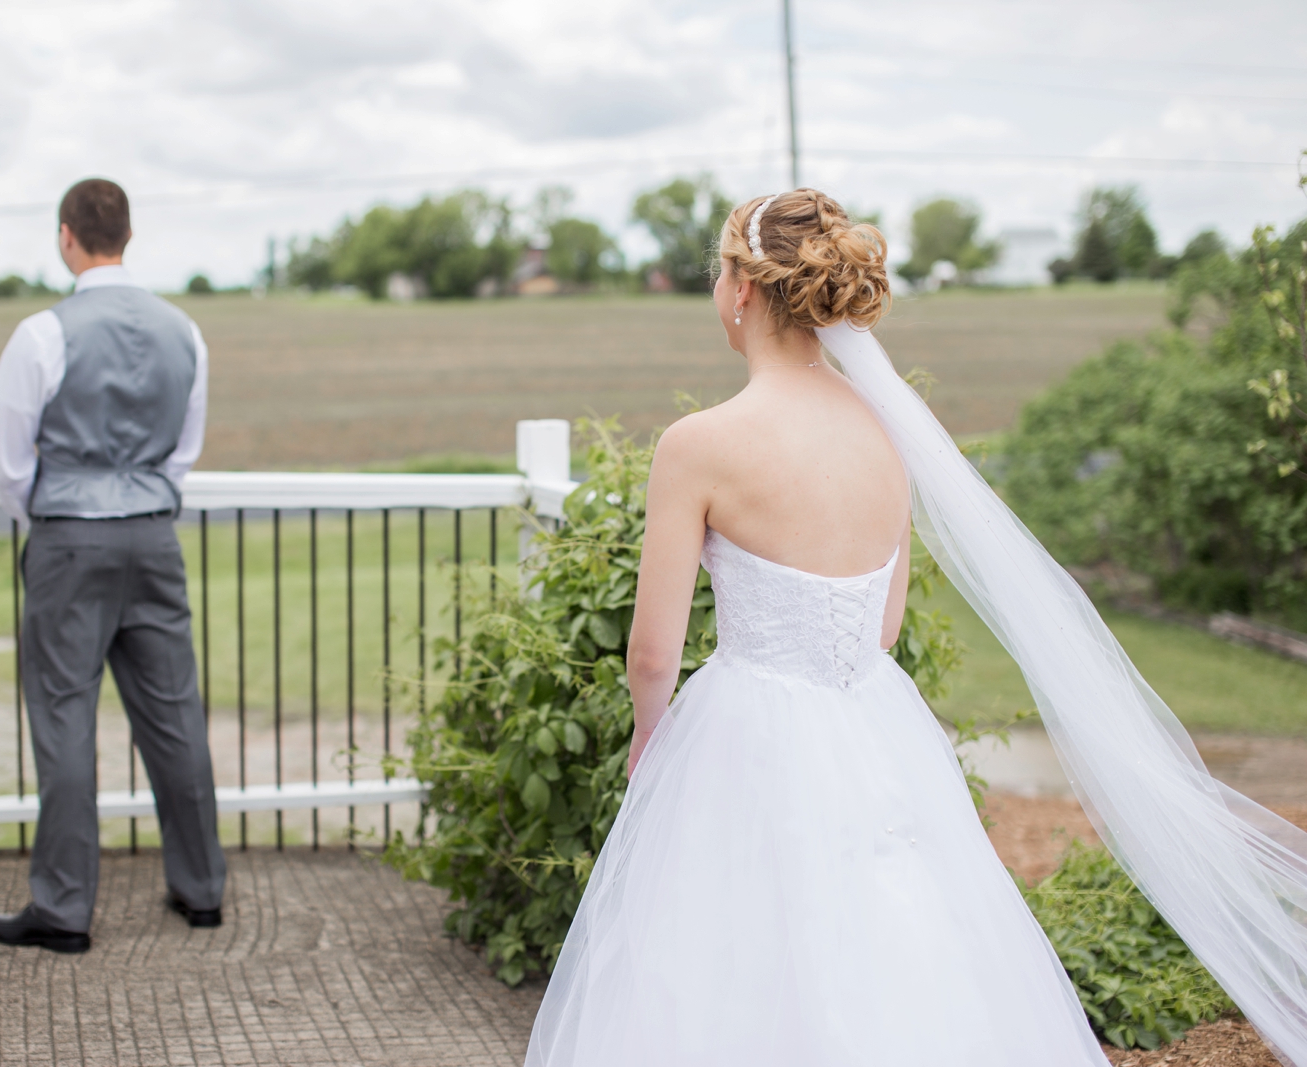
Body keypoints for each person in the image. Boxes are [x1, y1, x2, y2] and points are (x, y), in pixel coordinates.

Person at [526, 190, 1307, 1064]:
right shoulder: (889, 430)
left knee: (731, 958)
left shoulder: (699, 444)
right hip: (876, 719)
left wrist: (649, 737)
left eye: (719, 271)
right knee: (904, 940)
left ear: (742, 290)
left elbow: (652, 650)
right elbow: (885, 623)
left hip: (744, 728)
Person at [0, 178, 226, 954]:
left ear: (66, 236)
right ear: (127, 235)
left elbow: (6, 455)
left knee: (63, 716)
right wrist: (143, 498)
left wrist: (49, 511)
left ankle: (63, 908)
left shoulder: (42, 334)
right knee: (174, 712)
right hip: (152, 535)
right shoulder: (184, 329)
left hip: (69, 537)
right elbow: (185, 447)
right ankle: (202, 890)